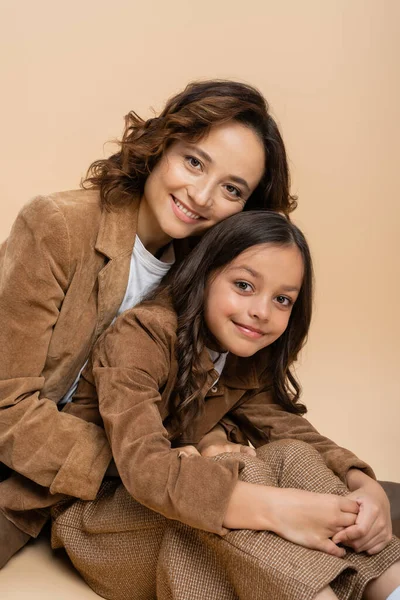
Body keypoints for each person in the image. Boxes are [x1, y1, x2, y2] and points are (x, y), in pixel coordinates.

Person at [0, 79, 296, 567]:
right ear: (160, 147)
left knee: (250, 537)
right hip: (18, 480)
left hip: (85, 495)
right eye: (194, 161)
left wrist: (205, 444)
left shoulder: (204, 278)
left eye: (231, 189)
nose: (201, 196)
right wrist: (154, 463)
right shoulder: (56, 225)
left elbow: (211, 394)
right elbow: (7, 405)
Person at [52, 211, 400, 600]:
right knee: (235, 469)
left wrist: (365, 485)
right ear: (205, 274)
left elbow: (292, 431)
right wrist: (276, 508)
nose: (262, 312)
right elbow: (145, 468)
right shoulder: (142, 334)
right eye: (244, 285)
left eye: (282, 299)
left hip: (179, 507)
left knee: (293, 455)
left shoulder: (243, 357)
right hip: (99, 518)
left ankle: (391, 586)